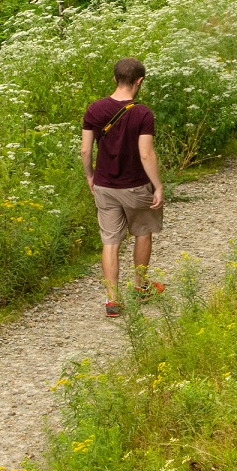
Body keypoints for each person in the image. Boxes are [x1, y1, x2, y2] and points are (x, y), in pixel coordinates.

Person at [80, 57, 166, 317]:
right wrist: (158, 186)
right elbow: (146, 154)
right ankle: (141, 286)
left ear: (114, 78)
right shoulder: (142, 113)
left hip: (105, 186)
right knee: (143, 231)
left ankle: (112, 300)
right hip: (136, 186)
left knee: (110, 241)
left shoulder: (94, 109)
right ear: (139, 81)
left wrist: (90, 175)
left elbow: (85, 149)